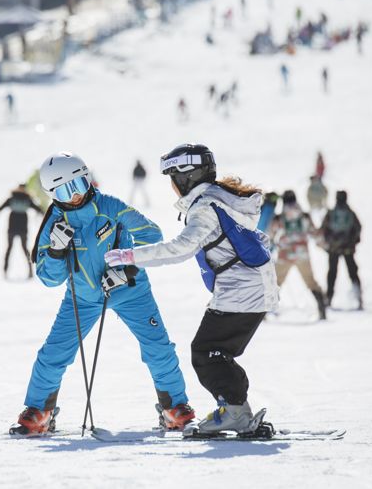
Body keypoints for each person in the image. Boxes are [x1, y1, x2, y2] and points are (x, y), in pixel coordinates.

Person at [11, 152, 194, 435]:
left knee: (158, 348)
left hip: (130, 291)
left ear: (88, 180)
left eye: (79, 185)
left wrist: (128, 267)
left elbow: (153, 235)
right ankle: (39, 410)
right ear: (52, 194)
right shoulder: (54, 224)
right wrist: (58, 252)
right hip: (82, 298)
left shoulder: (109, 206)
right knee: (53, 353)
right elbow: (49, 278)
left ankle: (174, 407)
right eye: (64, 190)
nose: (74, 196)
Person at [105, 144, 279, 435]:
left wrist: (130, 256)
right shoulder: (222, 200)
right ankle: (236, 409)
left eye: (173, 179)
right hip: (252, 288)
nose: (172, 187)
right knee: (216, 352)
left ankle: (235, 411)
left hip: (242, 291)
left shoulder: (205, 208)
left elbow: (180, 248)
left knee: (206, 352)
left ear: (186, 177)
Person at [270, 190, 328, 319]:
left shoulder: (279, 218)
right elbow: (314, 233)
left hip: (285, 254)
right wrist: (324, 246)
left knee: (274, 283)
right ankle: (322, 310)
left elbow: (271, 235)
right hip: (303, 254)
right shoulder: (304, 216)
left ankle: (262, 314)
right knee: (311, 282)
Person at [0, 184, 44, 279]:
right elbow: (39, 210)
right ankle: (30, 271)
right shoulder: (27, 199)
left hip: (12, 228)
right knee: (25, 250)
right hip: (23, 229)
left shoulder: (11, 199)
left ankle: (5, 271)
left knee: (9, 249)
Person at [321, 190, 362, 309]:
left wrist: (329, 242)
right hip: (348, 247)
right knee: (353, 272)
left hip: (334, 248)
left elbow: (324, 229)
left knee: (332, 273)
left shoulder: (331, 213)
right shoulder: (350, 213)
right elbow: (358, 228)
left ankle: (329, 298)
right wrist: (353, 242)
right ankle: (359, 297)